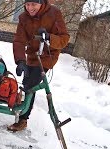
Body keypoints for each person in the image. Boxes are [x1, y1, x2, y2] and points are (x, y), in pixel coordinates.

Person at [7, 0, 70, 132]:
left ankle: (23, 119)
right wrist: (20, 61)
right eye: (27, 4)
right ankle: (23, 115)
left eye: (34, 4)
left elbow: (64, 39)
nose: (30, 8)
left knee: (31, 84)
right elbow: (19, 40)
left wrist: (49, 37)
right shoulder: (23, 18)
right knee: (27, 84)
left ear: (41, 3)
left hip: (48, 56)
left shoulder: (54, 13)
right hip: (32, 56)